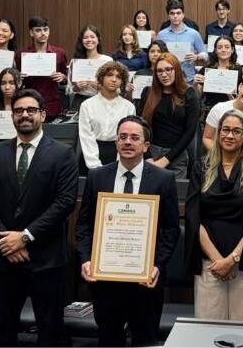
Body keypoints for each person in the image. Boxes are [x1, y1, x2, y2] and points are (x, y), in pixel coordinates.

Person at [0, 89, 78, 347]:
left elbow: (64, 203)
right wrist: (5, 242)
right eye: (19, 111)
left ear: (43, 115)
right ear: (12, 116)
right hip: (2, 259)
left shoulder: (63, 154)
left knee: (50, 331)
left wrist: (25, 236)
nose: (25, 115)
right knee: (0, 330)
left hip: (45, 258)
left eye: (31, 110)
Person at [77, 116, 180, 347]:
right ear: (115, 143)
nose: (127, 142)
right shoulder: (97, 176)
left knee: (145, 340)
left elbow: (171, 230)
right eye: (122, 137)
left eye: (135, 138)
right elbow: (84, 225)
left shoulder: (164, 179)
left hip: (146, 281)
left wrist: (157, 266)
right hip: (105, 281)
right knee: (108, 339)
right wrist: (86, 259)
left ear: (146, 146)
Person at [185, 109, 243, 321]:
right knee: (207, 334)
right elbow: (194, 217)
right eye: (225, 130)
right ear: (217, 133)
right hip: (210, 263)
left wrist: (232, 259)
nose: (229, 136)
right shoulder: (201, 168)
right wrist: (219, 261)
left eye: (236, 131)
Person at [138, 53, 199, 179]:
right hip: (150, 153)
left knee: (173, 197)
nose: (164, 74)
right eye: (159, 71)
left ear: (176, 69)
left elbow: (190, 132)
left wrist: (165, 160)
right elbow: (140, 127)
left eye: (168, 69)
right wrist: (148, 156)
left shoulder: (189, 94)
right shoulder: (148, 92)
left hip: (176, 155)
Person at [79, 61, 135, 170]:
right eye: (109, 75)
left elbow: (126, 137)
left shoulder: (129, 107)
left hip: (117, 153)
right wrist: (94, 166)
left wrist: (120, 164)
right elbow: (86, 137)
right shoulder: (87, 105)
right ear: (101, 78)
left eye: (118, 77)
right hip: (89, 154)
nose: (114, 79)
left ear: (122, 82)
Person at [14, 16, 68, 121]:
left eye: (45, 29)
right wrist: (18, 78)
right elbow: (16, 82)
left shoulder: (59, 53)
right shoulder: (21, 55)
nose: (43, 33)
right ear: (31, 33)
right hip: (28, 103)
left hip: (52, 103)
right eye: (38, 30)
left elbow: (67, 78)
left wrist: (63, 77)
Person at [157, 0, 208, 85]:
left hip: (188, 79)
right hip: (167, 80)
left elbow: (206, 56)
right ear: (168, 15)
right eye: (172, 13)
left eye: (178, 13)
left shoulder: (194, 33)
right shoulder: (161, 35)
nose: (175, 16)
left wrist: (197, 57)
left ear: (183, 15)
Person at [194, 36, 243, 120]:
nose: (223, 50)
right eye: (219, 47)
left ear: (232, 50)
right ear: (215, 50)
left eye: (227, 47)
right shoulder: (208, 69)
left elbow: (242, 97)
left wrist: (231, 96)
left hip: (231, 112)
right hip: (210, 111)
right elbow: (198, 95)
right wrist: (195, 84)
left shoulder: (239, 70)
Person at [67, 25, 114, 107]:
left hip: (101, 101)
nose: (89, 40)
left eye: (92, 37)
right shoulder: (75, 62)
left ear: (98, 40)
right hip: (79, 102)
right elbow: (69, 89)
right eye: (85, 37)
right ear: (81, 41)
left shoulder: (107, 61)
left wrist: (101, 87)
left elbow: (114, 86)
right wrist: (76, 87)